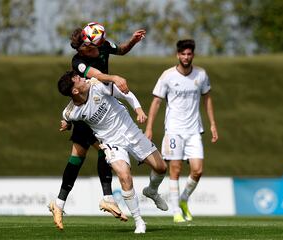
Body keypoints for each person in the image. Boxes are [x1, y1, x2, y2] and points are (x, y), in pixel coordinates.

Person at [49, 25, 146, 230]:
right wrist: (115, 78)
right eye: (89, 45)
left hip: (101, 103)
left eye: (96, 44)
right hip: (88, 110)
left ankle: (61, 204)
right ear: (83, 46)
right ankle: (102, 198)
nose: (94, 48)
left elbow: (120, 50)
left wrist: (132, 42)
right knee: (85, 155)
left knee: (90, 154)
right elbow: (97, 76)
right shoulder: (78, 62)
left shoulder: (103, 45)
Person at [57, 70, 168, 234]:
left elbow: (126, 93)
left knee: (161, 168)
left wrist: (138, 110)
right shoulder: (71, 111)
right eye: (78, 79)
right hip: (111, 143)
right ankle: (139, 222)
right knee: (124, 175)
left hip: (131, 132)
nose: (83, 78)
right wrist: (67, 124)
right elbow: (67, 118)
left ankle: (151, 190)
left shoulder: (96, 85)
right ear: (74, 90)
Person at [145, 39, 218, 223]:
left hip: (194, 130)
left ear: (193, 55)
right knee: (175, 169)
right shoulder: (167, 76)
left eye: (189, 54)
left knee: (197, 170)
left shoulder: (201, 75)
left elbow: (207, 99)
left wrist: (213, 124)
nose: (186, 57)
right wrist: (149, 128)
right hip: (174, 130)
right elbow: (156, 102)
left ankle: (184, 199)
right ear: (177, 55)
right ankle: (176, 210)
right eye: (183, 54)